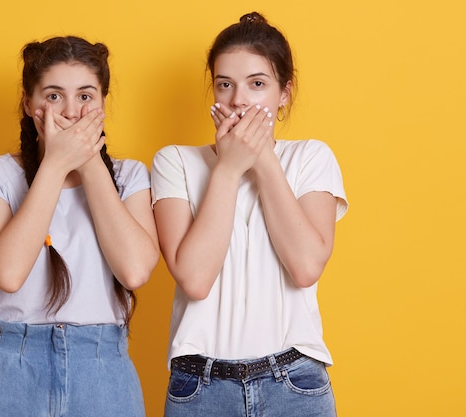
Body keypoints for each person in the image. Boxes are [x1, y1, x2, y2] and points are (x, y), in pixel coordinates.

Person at [151, 12, 348, 417]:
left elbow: (306, 266)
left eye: (257, 84)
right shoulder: (175, 162)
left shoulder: (311, 157)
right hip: (199, 388)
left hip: (294, 383)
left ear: (284, 93)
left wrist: (263, 161)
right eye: (225, 85)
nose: (239, 100)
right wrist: (227, 168)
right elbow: (194, 278)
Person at [0, 35, 159, 417]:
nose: (70, 111)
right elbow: (9, 272)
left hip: (103, 373)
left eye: (85, 97)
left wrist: (88, 162)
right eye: (53, 96)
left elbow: (134, 270)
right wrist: (55, 164)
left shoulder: (130, 177)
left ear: (102, 104)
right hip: (9, 371)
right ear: (30, 104)